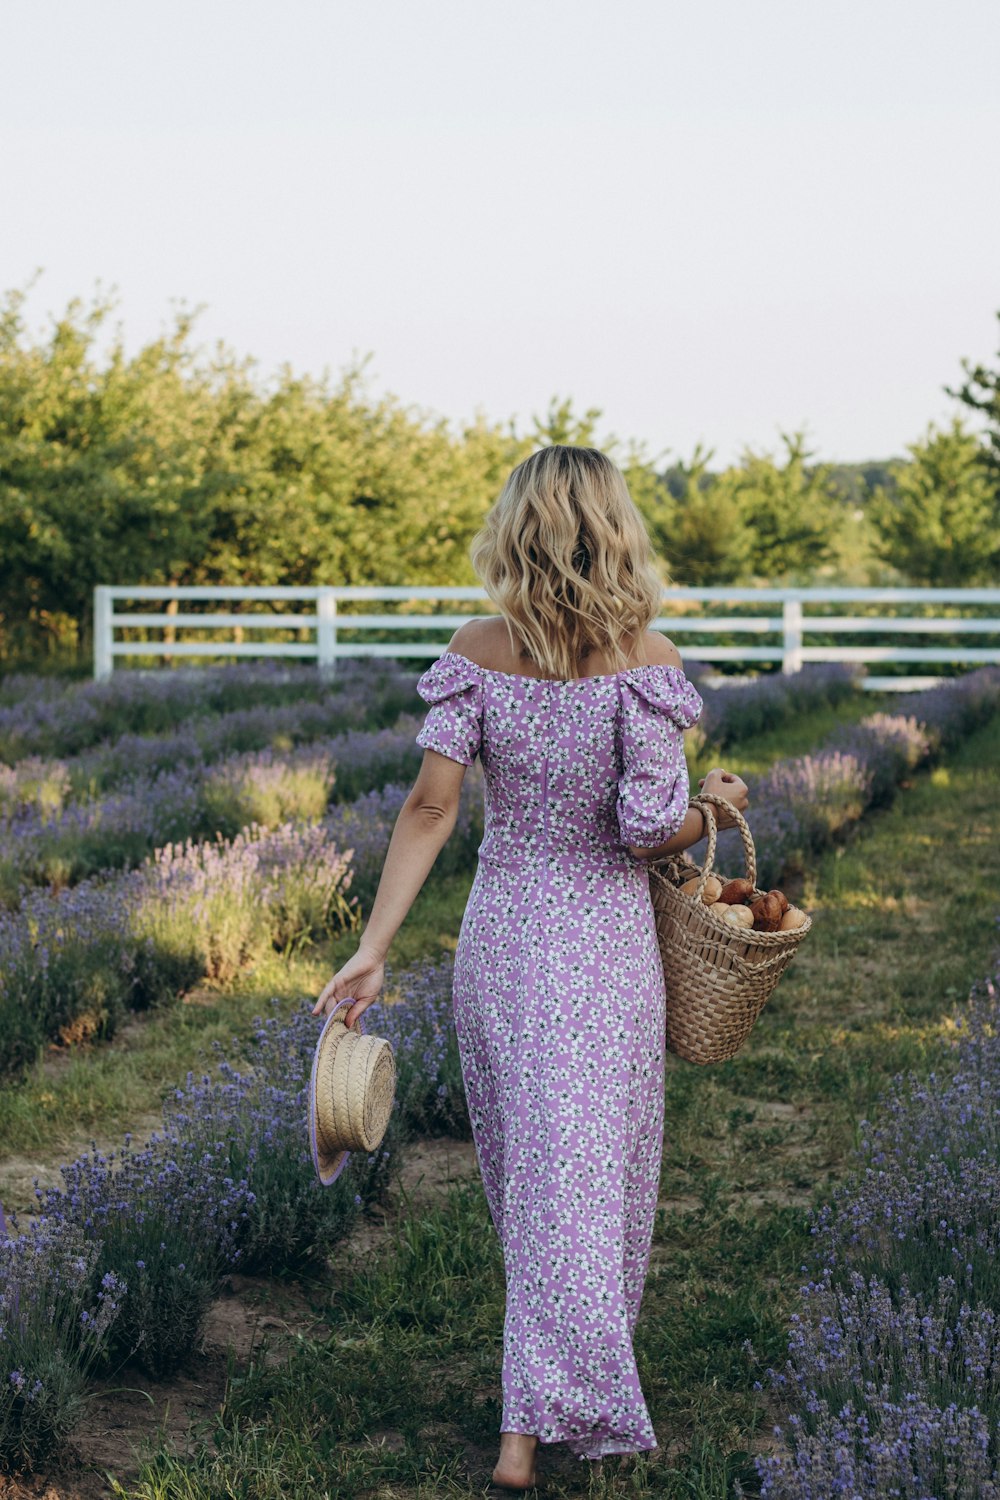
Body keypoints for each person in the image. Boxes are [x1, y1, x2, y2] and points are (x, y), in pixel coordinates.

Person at [313, 445, 749, 1490]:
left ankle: (534, 1416)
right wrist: (717, 808)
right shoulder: (645, 658)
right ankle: (536, 1424)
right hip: (602, 948)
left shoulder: (475, 650)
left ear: (514, 530)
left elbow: (429, 809)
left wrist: (374, 949)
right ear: (615, 532)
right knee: (588, 1184)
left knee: (534, 1185)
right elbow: (649, 831)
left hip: (504, 940)